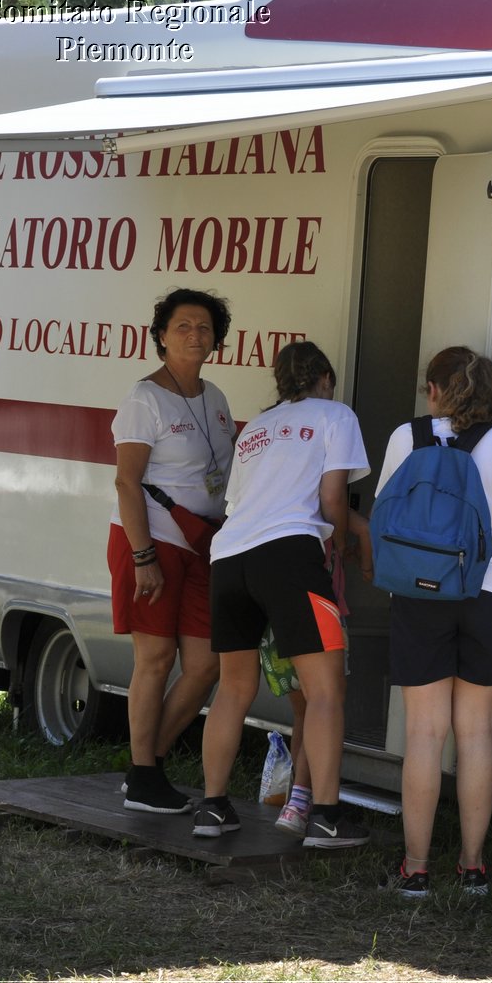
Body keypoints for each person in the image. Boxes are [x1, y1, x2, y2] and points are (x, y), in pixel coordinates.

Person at [193, 341, 374, 848]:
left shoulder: (257, 428)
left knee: (232, 688)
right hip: (290, 556)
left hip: (228, 556)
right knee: (324, 692)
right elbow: (332, 497)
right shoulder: (336, 415)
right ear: (324, 378)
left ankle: (212, 807)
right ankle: (326, 816)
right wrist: (336, 546)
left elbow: (244, 501)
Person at [377, 346, 492, 897]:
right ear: (491, 392)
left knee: (424, 734)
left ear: (433, 391)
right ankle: (472, 866)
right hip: (491, 593)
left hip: (421, 593)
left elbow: (387, 516)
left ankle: (415, 868)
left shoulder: (406, 437)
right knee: (475, 733)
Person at [110, 288, 236, 813]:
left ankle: (147, 764)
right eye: (183, 326)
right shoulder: (145, 398)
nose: (195, 335)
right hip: (152, 542)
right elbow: (126, 482)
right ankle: (143, 776)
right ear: (161, 336)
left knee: (206, 664)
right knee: (157, 659)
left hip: (203, 544)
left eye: (205, 328)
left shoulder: (215, 398)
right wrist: (143, 557)